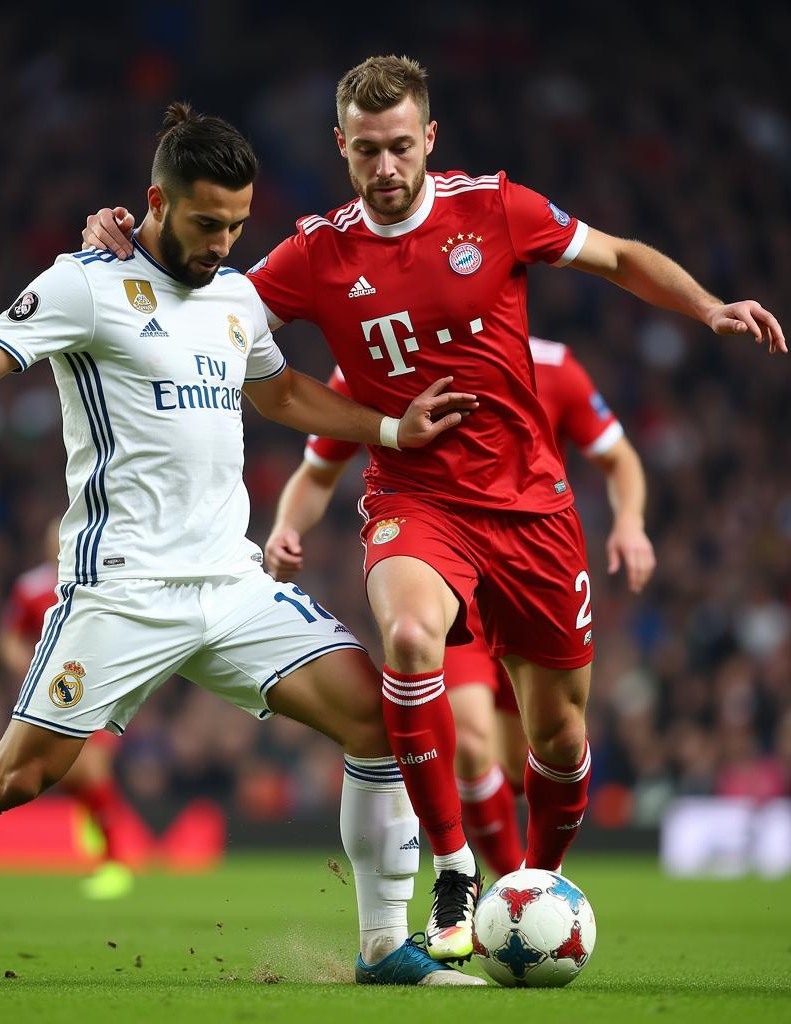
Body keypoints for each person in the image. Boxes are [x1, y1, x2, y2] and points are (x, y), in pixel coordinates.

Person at [81, 54, 784, 961]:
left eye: (400, 147)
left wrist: (708, 306)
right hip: (415, 497)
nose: (384, 168)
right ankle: (451, 867)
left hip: (532, 508)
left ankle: (532, 889)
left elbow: (616, 257)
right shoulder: (315, 253)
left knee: (562, 743)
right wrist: (134, 240)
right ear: (340, 146)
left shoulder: (496, 208)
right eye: (365, 150)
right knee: (410, 643)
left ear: (429, 141)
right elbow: (204, 298)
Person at [0, 104, 486, 988]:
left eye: (238, 226)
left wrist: (390, 428)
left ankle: (384, 946)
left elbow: (281, 398)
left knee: (378, 720)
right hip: (122, 588)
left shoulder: (237, 298)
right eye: (207, 224)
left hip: (231, 583)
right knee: (17, 778)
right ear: (156, 201)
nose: (223, 245)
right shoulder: (86, 284)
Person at [263, 337, 657, 877]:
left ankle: (534, 876)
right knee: (471, 746)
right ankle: (505, 888)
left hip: (531, 566)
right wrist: (287, 525)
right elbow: (317, 471)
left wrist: (631, 523)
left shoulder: (554, 367)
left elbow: (618, 457)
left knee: (538, 754)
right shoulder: (374, 355)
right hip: (450, 582)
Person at [0, 518, 136, 898]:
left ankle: (115, 863)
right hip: (54, 694)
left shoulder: (101, 582)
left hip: (100, 689)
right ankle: (101, 836)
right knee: (73, 775)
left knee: (91, 769)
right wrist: (29, 666)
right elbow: (10, 639)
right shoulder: (32, 588)